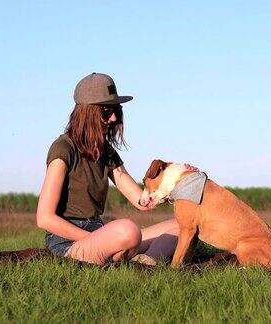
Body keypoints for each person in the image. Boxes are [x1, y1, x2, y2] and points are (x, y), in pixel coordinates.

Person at [36, 72, 192, 265]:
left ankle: (146, 262)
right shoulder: (63, 149)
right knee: (127, 230)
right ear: (86, 112)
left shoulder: (106, 152)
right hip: (69, 243)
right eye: (106, 112)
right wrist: (92, 238)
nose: (113, 118)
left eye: (117, 110)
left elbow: (141, 201)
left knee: (182, 226)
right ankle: (128, 253)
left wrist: (176, 179)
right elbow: (44, 218)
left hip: (101, 234)